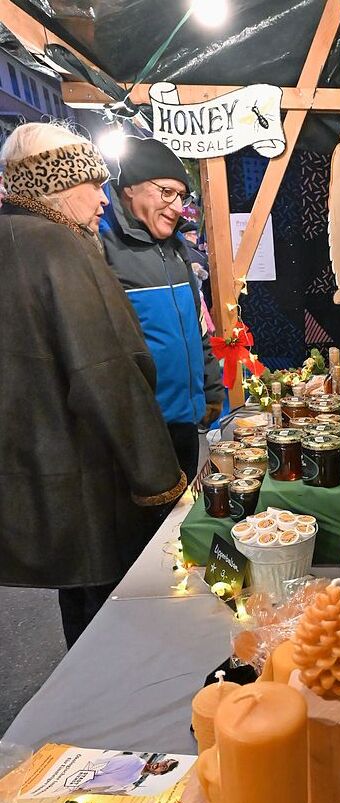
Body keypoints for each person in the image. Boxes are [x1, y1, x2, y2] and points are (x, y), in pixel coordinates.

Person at [0, 123, 186, 647]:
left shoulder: (10, 239)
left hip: (39, 481)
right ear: (59, 185)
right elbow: (106, 372)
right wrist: (162, 483)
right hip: (90, 480)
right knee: (117, 624)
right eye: (94, 184)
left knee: (80, 618)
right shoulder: (61, 246)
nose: (104, 199)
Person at [100, 138, 224, 483]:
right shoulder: (101, 244)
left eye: (182, 196)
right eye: (166, 192)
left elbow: (197, 328)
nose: (176, 207)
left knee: (179, 522)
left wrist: (211, 390)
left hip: (184, 425)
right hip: (138, 433)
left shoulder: (176, 249)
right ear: (130, 189)